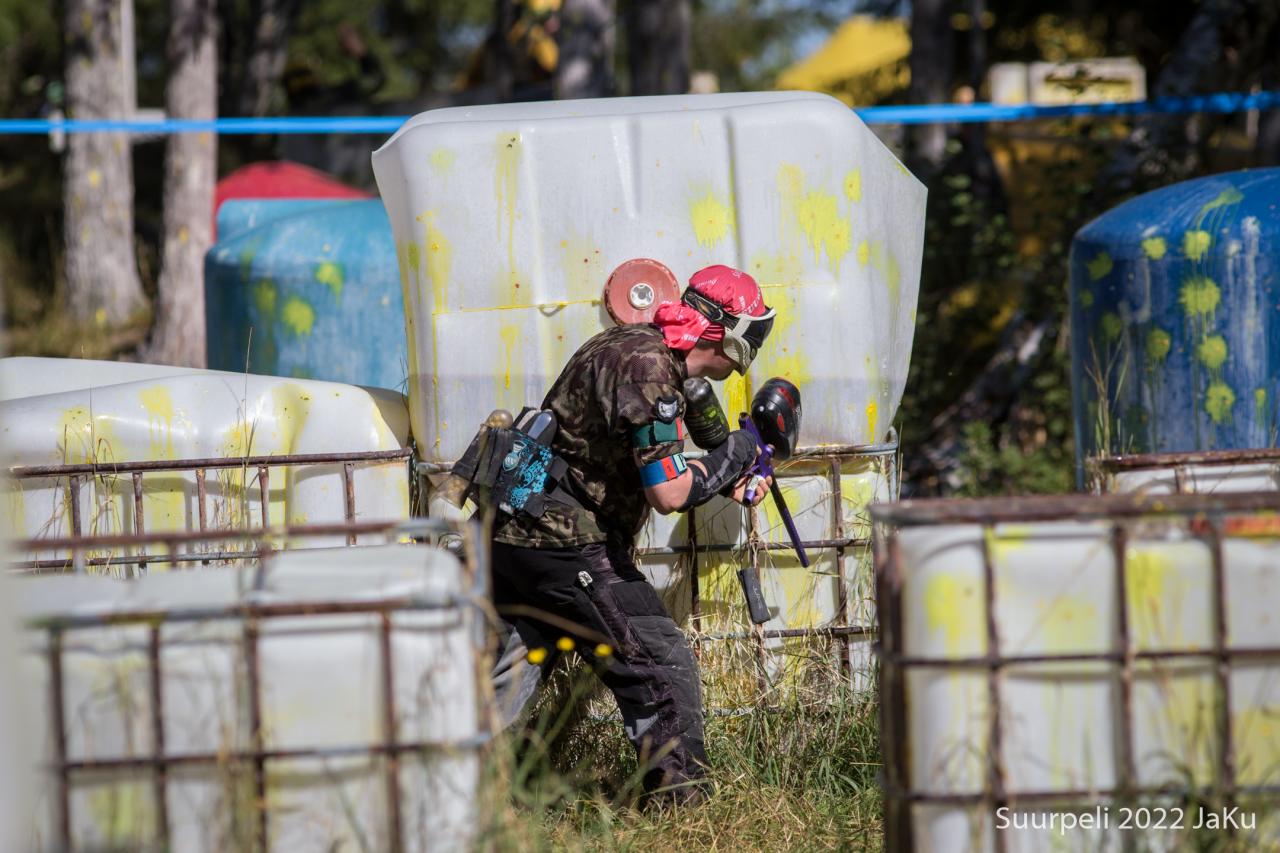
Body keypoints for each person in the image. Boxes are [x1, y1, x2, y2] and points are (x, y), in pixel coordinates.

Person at [487, 264, 776, 805]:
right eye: (753, 331)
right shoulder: (649, 369)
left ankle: (464, 798)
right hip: (563, 540)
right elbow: (668, 493)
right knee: (660, 662)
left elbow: (642, 457)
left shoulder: (633, 345)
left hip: (518, 534)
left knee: (502, 680)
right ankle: (681, 808)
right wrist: (741, 450)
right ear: (725, 333)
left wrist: (722, 474)